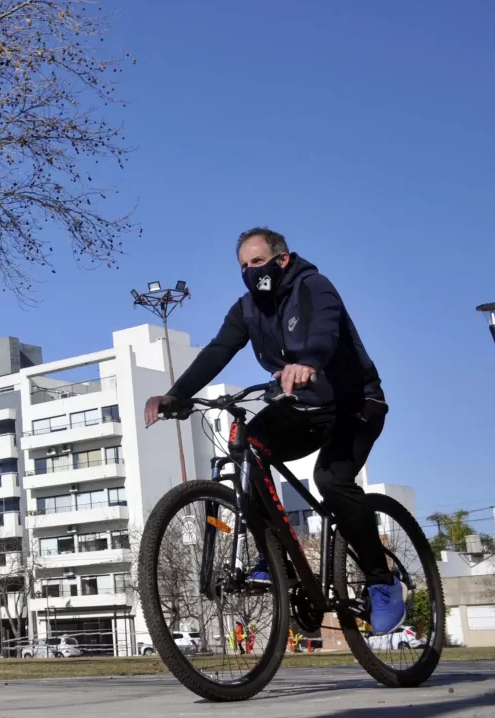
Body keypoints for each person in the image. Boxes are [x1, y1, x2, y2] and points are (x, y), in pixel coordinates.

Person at [144, 228, 402, 634]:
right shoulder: (247, 309)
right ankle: (277, 558)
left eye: (257, 262)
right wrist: (175, 396)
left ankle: (381, 581)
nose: (250, 271)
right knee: (246, 445)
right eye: (243, 266)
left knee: (331, 481)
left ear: (282, 260)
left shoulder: (313, 286)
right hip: (303, 409)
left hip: (355, 407)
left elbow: (325, 331)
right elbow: (218, 350)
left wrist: (307, 362)